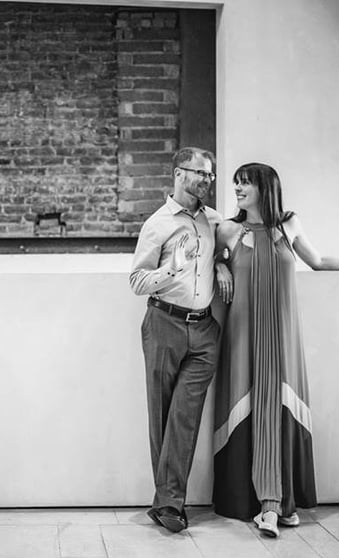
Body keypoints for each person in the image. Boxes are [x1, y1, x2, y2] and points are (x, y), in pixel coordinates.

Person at [211, 162, 339, 538]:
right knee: (250, 408)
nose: (238, 189)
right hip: (243, 336)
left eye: (245, 183)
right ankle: (268, 505)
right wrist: (220, 267)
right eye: (236, 183)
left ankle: (276, 503)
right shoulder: (228, 230)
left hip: (282, 337)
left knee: (278, 409)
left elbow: (319, 262)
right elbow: (210, 260)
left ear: (266, 188)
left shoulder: (288, 224)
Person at [129, 146, 233, 533]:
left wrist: (220, 263)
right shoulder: (157, 224)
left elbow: (226, 249)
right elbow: (137, 282)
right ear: (178, 173)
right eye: (200, 173)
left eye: (210, 175)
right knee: (162, 417)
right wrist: (173, 266)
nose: (207, 180)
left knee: (185, 417)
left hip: (204, 331)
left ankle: (168, 504)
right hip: (163, 324)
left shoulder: (213, 220)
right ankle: (170, 504)